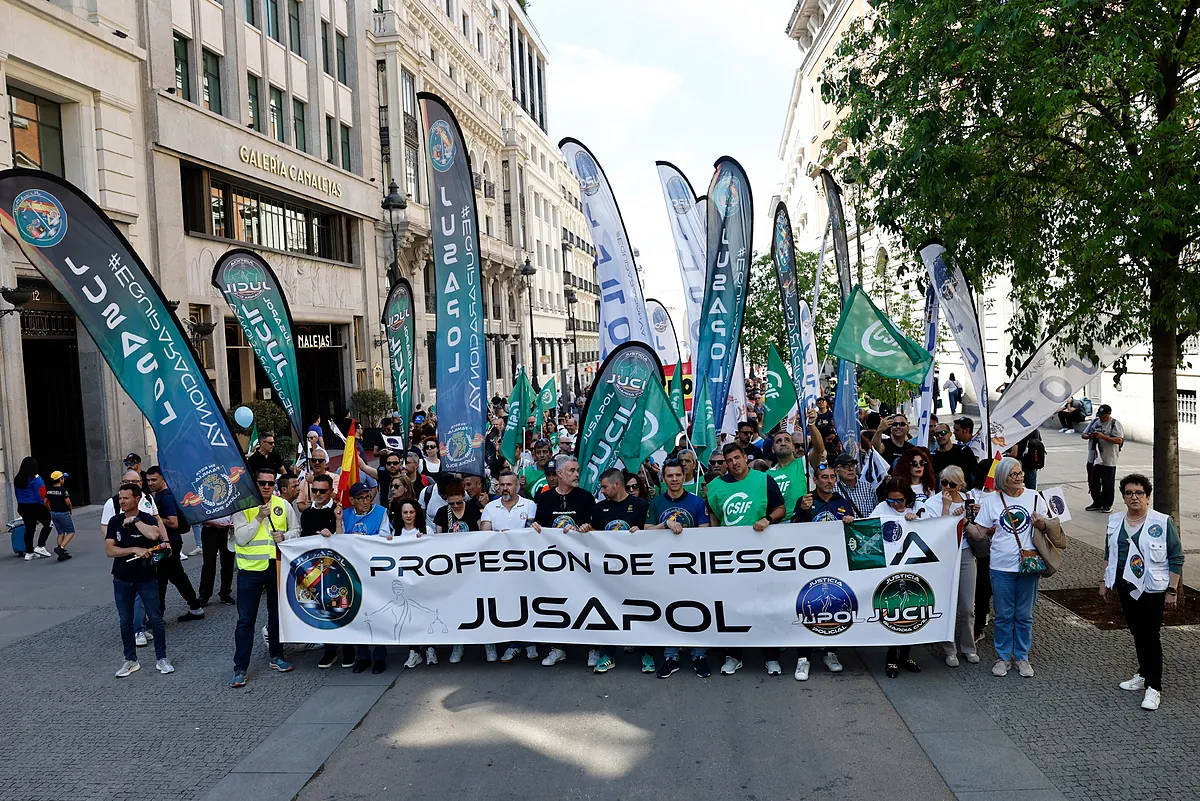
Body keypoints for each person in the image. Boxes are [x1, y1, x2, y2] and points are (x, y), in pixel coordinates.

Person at [1101, 473, 1184, 711]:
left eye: (1139, 493)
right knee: (1137, 631)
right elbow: (1108, 552)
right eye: (1129, 493)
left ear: (1147, 497)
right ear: (1123, 497)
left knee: (1150, 635)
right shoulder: (1115, 520)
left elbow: (1176, 557)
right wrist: (1104, 580)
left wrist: (1172, 590)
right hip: (1125, 584)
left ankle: (1154, 687)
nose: (1134, 497)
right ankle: (1144, 673)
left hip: (1153, 588)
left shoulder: (1162, 522)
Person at [705, 442, 787, 676]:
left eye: (737, 458)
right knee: (734, 607)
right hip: (731, 558)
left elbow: (781, 508)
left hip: (763, 555)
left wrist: (768, 520)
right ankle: (733, 655)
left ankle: (771, 656)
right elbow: (715, 520)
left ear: (745, 457)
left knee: (766, 606)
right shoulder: (715, 486)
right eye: (729, 460)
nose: (734, 463)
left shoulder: (764, 479)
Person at [967, 457, 1047, 679]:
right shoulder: (991, 501)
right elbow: (980, 533)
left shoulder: (1034, 497)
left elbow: (1048, 526)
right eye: (1013, 474)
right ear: (1003, 477)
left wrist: (1041, 522)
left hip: (1029, 564)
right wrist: (963, 522)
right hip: (1001, 565)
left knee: (1024, 615)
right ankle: (1003, 657)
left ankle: (1022, 657)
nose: (1019, 477)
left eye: (1020, 473)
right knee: (1003, 615)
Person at [230, 467, 299, 688]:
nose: (267, 487)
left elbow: (297, 530)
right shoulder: (242, 506)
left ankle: (277, 656)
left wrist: (285, 536)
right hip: (250, 570)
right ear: (255, 483)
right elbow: (241, 538)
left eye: (271, 483)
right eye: (262, 483)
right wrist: (259, 517)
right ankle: (240, 668)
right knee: (245, 619)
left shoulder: (283, 505)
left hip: (276, 567)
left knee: (276, 616)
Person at [791, 462, 854, 681]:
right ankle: (803, 658)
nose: (829, 481)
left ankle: (830, 652)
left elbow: (851, 534)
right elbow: (792, 530)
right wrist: (803, 510)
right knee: (806, 607)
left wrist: (850, 522)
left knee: (833, 609)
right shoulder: (806, 500)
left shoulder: (843, 502)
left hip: (835, 565)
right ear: (815, 480)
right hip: (808, 564)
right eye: (824, 477)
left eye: (832, 477)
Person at [106, 482, 172, 677]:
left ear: (137, 499)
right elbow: (110, 550)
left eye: (126, 498)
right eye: (120, 498)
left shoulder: (147, 518)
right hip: (121, 578)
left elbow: (154, 534)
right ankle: (130, 660)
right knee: (125, 621)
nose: (122, 501)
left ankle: (162, 658)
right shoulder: (114, 521)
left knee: (156, 619)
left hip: (146, 577)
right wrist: (134, 549)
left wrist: (135, 521)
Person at [591, 468, 651, 674]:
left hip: (637, 570)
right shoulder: (599, 508)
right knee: (607, 611)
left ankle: (647, 653)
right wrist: (586, 531)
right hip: (610, 571)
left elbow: (652, 534)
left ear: (617, 484)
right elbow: (595, 536)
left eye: (605, 487)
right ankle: (607, 654)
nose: (602, 491)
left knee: (642, 611)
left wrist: (642, 532)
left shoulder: (641, 505)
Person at [924, 465, 980, 667]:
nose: (947, 487)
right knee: (947, 605)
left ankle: (969, 648)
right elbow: (937, 533)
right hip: (943, 556)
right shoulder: (932, 503)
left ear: (961, 485)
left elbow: (978, 530)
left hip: (964, 553)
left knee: (967, 607)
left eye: (952, 484)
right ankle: (949, 650)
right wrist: (946, 509)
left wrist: (972, 515)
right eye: (944, 483)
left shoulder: (969, 500)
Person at [871, 479, 923, 678]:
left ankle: (906, 655)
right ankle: (891, 656)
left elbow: (935, 528)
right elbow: (868, 528)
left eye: (899, 500)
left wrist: (917, 520)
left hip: (915, 567)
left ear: (908, 497)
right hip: (890, 567)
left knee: (913, 612)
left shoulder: (920, 507)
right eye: (891, 501)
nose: (895, 505)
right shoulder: (881, 508)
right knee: (894, 612)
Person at [145, 466, 205, 623]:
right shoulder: (158, 496)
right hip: (167, 544)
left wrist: (155, 517)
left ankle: (159, 615)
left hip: (169, 544)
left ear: (163, 479)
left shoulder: (166, 498)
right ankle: (195, 607)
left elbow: (173, 522)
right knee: (175, 576)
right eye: (148, 480)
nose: (150, 483)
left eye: (154, 480)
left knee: (163, 579)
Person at [1084, 405, 1124, 512]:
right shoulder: (1094, 422)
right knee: (1093, 482)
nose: (1101, 418)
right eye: (1100, 416)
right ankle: (1097, 502)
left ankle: (1107, 504)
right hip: (1093, 458)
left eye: (1104, 416)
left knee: (1107, 483)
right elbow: (1084, 435)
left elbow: (1119, 440)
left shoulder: (1114, 424)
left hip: (1108, 459)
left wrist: (1103, 437)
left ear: (1109, 414)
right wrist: (1091, 436)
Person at [14, 456, 52, 560]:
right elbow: (41, 495)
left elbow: (17, 493)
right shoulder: (36, 478)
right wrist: (47, 506)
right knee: (48, 523)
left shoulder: (18, 478)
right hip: (35, 505)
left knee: (29, 528)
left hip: (22, 505)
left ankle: (29, 552)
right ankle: (40, 546)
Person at [197, 513, 234, 607]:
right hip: (209, 530)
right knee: (209, 564)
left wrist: (235, 521)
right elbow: (197, 516)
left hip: (228, 529)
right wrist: (213, 523)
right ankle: (204, 595)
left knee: (228, 563)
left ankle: (225, 593)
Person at [45, 470, 75, 560]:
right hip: (63, 513)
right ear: (60, 479)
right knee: (71, 531)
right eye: (63, 478)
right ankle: (61, 548)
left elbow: (45, 501)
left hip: (53, 513)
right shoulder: (63, 490)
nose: (64, 480)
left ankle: (61, 552)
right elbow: (68, 502)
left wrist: (49, 509)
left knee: (60, 532)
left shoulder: (49, 490)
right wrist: (70, 509)